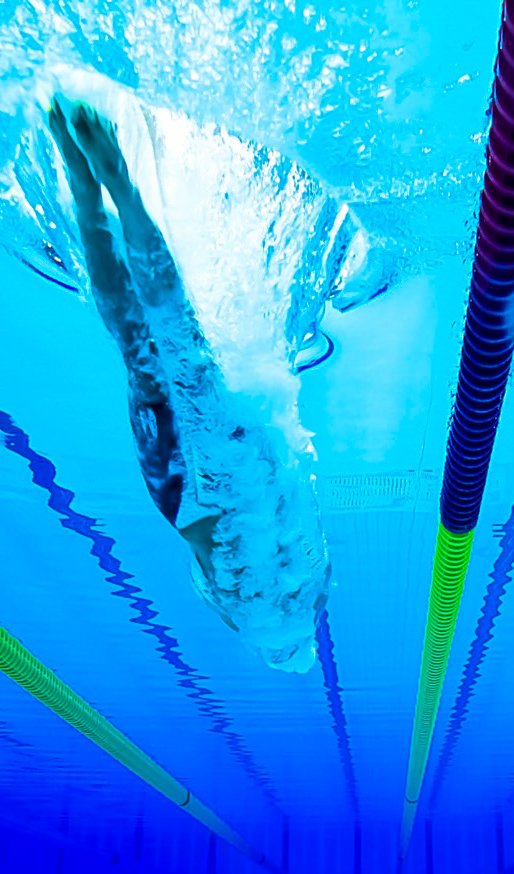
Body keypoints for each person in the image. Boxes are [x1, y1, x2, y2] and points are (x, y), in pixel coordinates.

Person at [44, 95, 340, 673]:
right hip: (180, 492)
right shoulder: (240, 618)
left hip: (240, 467)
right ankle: (84, 180)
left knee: (181, 338)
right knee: (135, 345)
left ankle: (120, 181)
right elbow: (203, 556)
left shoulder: (315, 581)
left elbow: (291, 476)